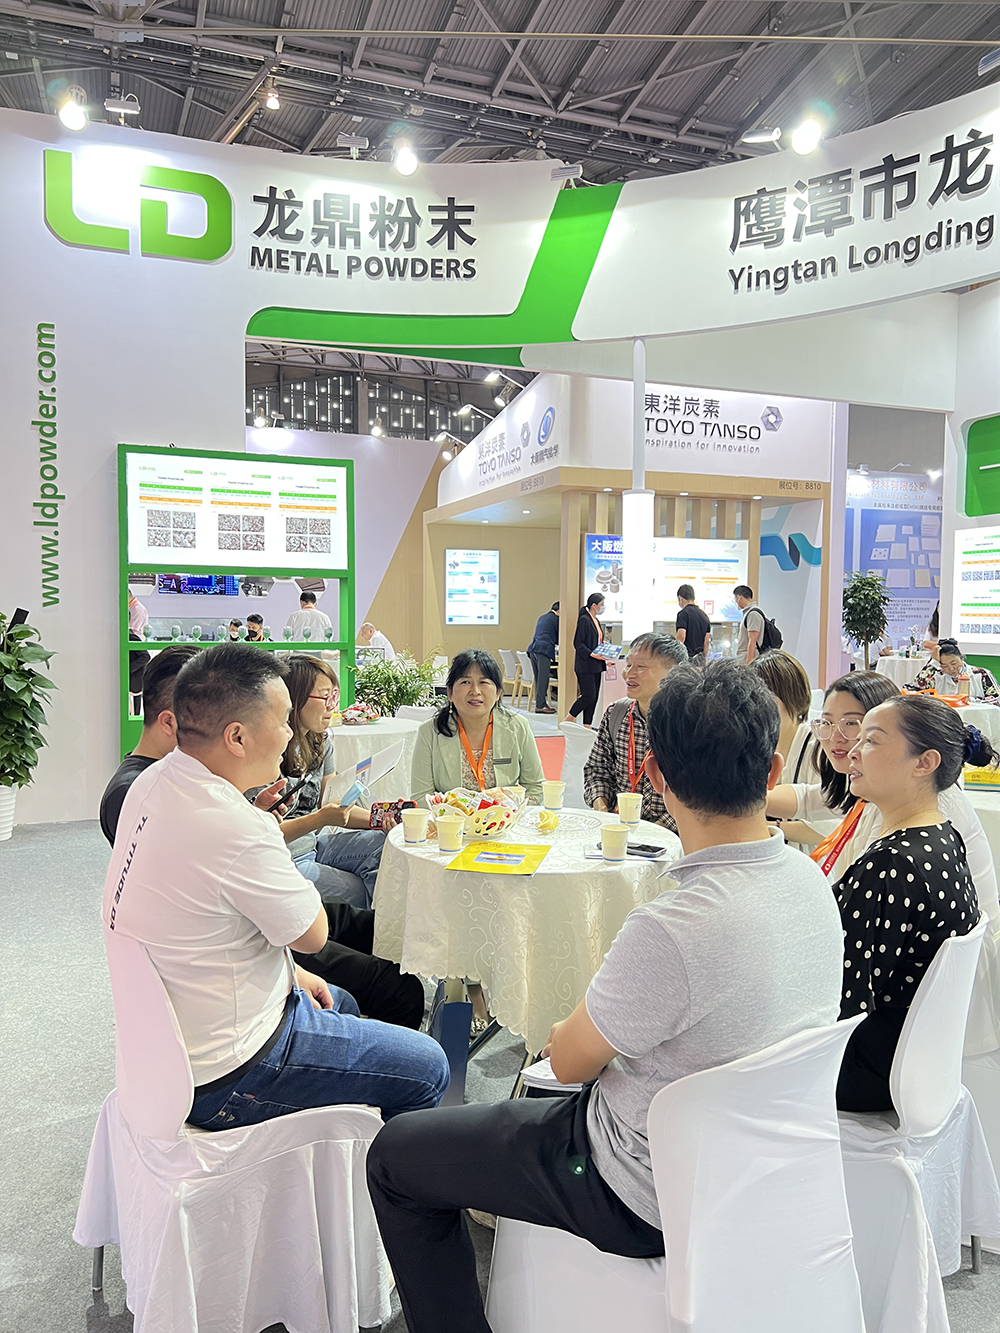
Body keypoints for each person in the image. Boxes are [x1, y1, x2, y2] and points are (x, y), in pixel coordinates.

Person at [365, 661, 845, 1333]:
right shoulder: (811, 881)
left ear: (656, 775)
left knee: (396, 1155)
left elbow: (567, 1062)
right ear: (772, 771)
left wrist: (572, 1024)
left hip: (635, 1187)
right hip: (762, 1167)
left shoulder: (673, 926)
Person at [102, 642, 449, 1131]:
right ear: (237, 737)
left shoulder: (152, 783)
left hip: (174, 1048)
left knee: (343, 1000)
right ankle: (383, 1174)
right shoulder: (235, 824)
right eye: (284, 719)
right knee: (429, 1065)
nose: (289, 734)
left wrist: (290, 974)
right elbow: (312, 935)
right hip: (232, 1069)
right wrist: (263, 828)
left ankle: (346, 1154)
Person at [834, 694, 986, 1111]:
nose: (853, 751)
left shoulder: (892, 864)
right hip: (914, 1064)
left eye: (871, 740)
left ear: (924, 763)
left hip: (864, 1068)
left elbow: (844, 998)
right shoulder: (942, 836)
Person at [765, 673, 997, 907]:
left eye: (853, 725)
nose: (836, 737)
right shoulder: (883, 787)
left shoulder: (909, 816)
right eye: (826, 722)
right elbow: (811, 798)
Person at [270, 654, 387, 910]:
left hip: (314, 844)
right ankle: (368, 927)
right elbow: (261, 833)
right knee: (359, 892)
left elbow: (335, 805)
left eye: (335, 696)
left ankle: (379, 925)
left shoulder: (320, 741)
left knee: (385, 846)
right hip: (283, 857)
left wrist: (384, 820)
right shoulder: (269, 750)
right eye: (326, 697)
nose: (333, 706)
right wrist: (319, 819)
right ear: (294, 698)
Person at [410, 648, 545, 804]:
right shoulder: (430, 732)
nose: (475, 691)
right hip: (451, 818)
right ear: (450, 693)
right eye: (465, 682)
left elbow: (536, 787)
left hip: (505, 817)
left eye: (484, 682)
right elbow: (421, 796)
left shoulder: (517, 727)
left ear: (498, 693)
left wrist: (514, 812)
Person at [583, 633, 687, 829]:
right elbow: (597, 770)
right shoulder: (616, 713)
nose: (628, 674)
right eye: (628, 665)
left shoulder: (691, 723)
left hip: (674, 836)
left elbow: (700, 794)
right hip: (619, 829)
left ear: (674, 673)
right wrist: (602, 810)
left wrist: (653, 831)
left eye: (641, 667)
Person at [913, 637, 1000, 701]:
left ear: (961, 657)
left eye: (954, 663)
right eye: (945, 666)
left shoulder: (981, 674)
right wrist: (933, 663)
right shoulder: (936, 676)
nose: (951, 669)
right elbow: (916, 692)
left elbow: (996, 700)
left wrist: (971, 701)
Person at [566, 593, 606, 726]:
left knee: (594, 697)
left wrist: (602, 644)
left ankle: (587, 724)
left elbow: (594, 640)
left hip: (597, 664)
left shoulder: (596, 621)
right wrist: (591, 654)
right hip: (585, 664)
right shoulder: (584, 619)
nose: (603, 607)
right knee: (588, 695)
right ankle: (570, 717)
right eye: (601, 604)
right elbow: (578, 642)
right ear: (594, 605)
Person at [526, 600, 559, 714]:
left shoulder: (543, 617)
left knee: (538, 678)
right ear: (560, 611)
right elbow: (560, 636)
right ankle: (540, 705)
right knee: (543, 678)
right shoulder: (556, 619)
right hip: (543, 649)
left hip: (533, 648)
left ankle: (540, 703)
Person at [674, 585, 711, 662]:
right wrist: (704, 660)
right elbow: (706, 642)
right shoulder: (704, 616)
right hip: (699, 660)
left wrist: (674, 655)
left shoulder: (683, 614)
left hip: (686, 659)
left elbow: (681, 637)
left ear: (680, 598)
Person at [733, 586, 765, 664]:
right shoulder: (749, 612)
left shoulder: (753, 613)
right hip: (744, 657)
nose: (735, 602)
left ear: (739, 597)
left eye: (735, 599)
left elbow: (753, 640)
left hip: (747, 659)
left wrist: (749, 662)